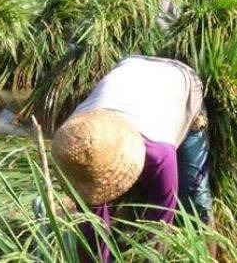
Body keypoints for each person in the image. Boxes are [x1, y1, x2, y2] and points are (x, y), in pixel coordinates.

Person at [51, 55, 213, 262]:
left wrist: (148, 257)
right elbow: (92, 224)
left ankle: (209, 253)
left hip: (180, 81)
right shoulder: (77, 138)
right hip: (129, 68)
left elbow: (161, 221)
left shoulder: (159, 154)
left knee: (195, 196)